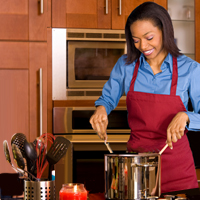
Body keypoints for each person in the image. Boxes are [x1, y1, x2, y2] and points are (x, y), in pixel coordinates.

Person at [89, 1, 200, 194]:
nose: (143, 46)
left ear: (165, 31)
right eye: (136, 40)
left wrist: (185, 116)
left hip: (178, 171)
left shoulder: (190, 69)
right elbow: (107, 100)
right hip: (136, 170)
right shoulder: (125, 66)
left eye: (149, 37)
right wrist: (101, 110)